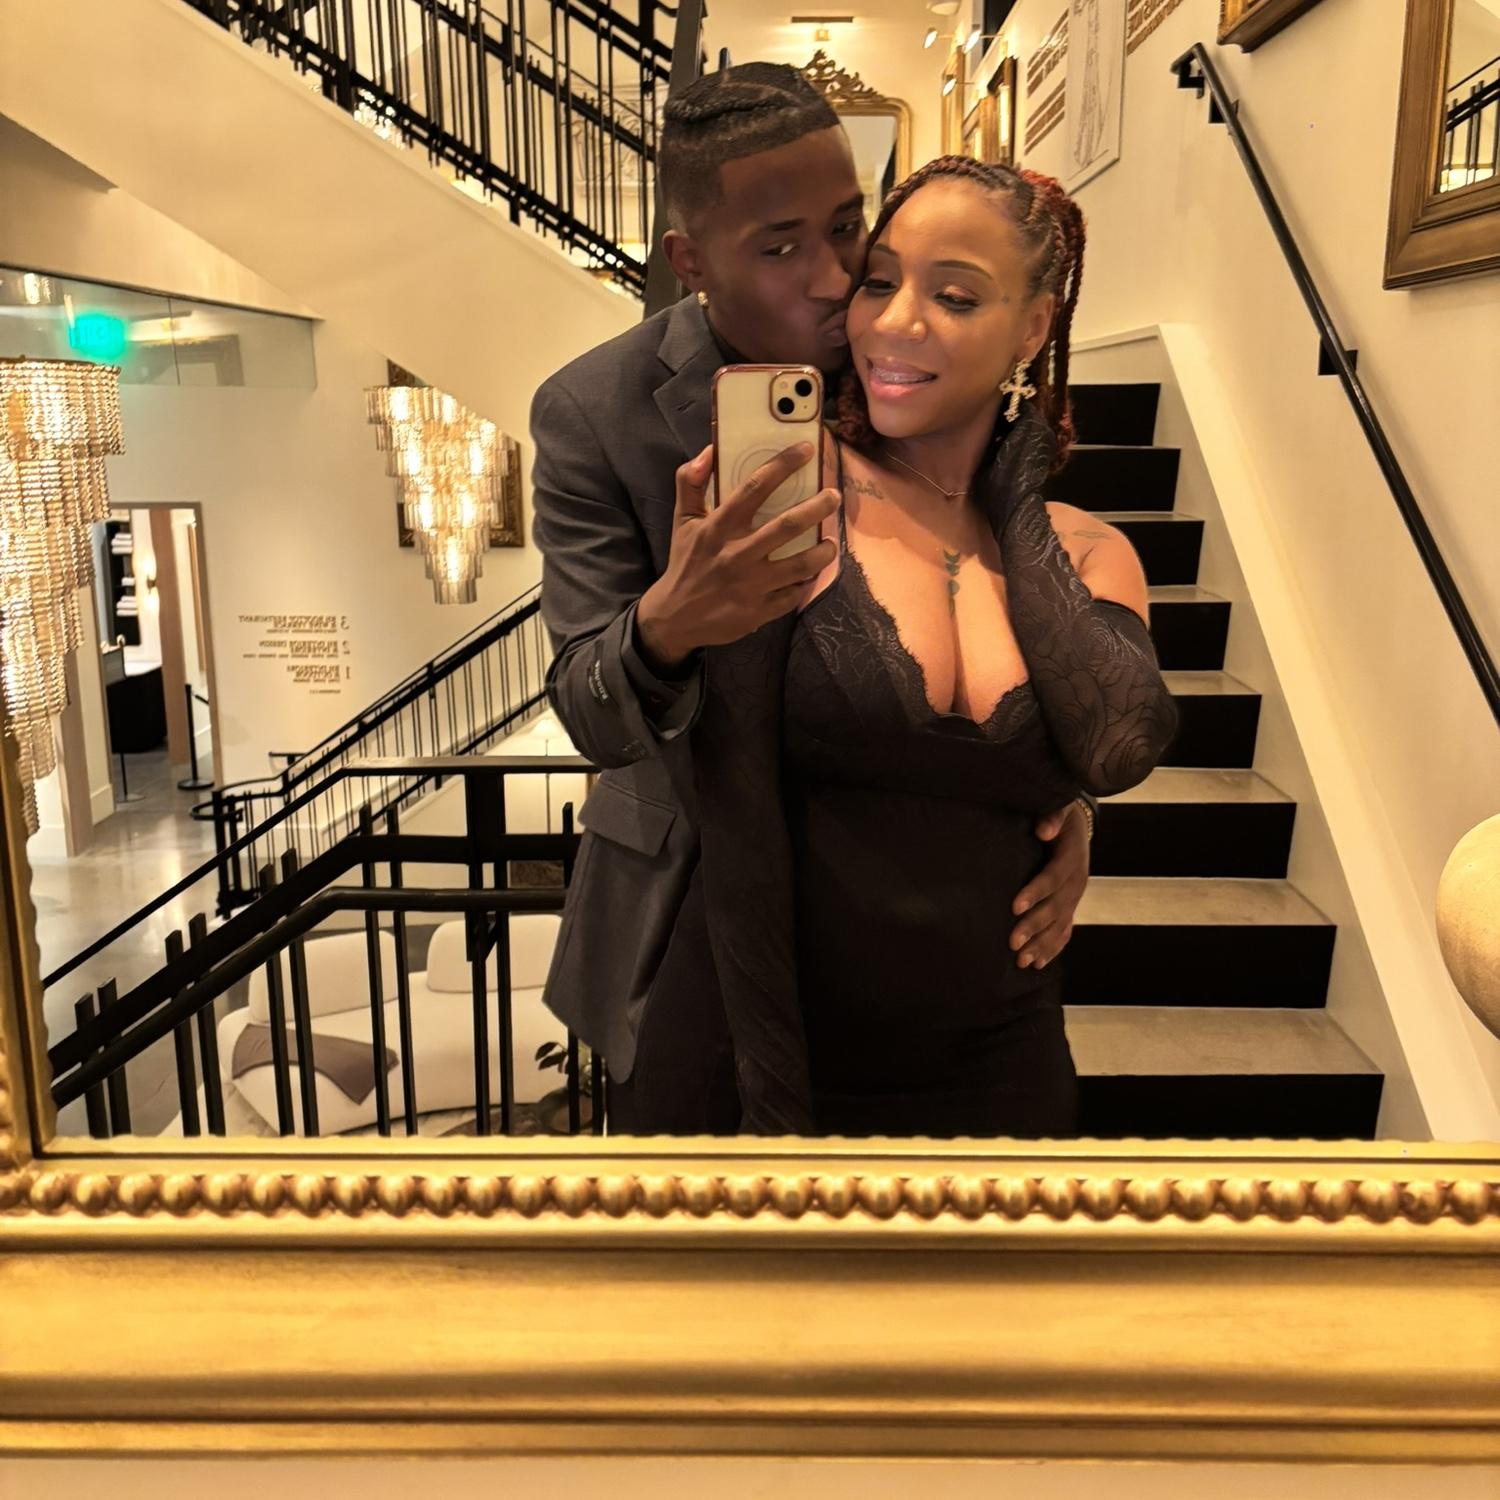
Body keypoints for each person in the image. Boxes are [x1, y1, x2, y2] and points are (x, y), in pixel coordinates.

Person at [529, 64, 1099, 1136]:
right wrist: (669, 625)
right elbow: (587, 709)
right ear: (692, 264)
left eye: (847, 226)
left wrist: (1061, 799)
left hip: (919, 944)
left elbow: (1009, 623)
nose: (839, 281)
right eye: (781, 247)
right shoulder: (597, 412)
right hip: (694, 916)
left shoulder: (911, 367)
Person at [773, 156, 1180, 1136]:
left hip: (1004, 1067)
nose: (895, 321)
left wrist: (1015, 499)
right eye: (879, 281)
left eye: (954, 296)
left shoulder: (1087, 551)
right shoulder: (793, 498)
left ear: (1033, 329)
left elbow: (1117, 747)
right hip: (785, 1065)